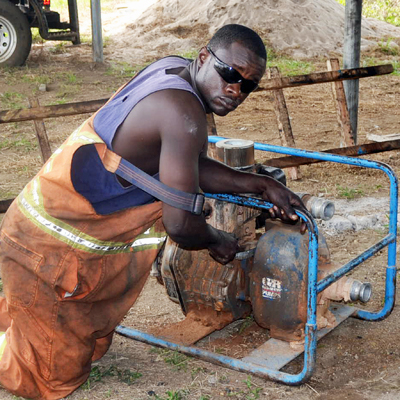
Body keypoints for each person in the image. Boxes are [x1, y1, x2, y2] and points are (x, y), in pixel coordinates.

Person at [0, 24, 306, 399]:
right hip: (44, 250)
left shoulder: (175, 74)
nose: (235, 90)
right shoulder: (182, 112)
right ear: (205, 57)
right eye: (230, 74)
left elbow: (184, 164)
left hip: (46, 235)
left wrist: (262, 184)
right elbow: (180, 224)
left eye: (248, 85)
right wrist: (216, 240)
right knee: (50, 379)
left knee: (89, 346)